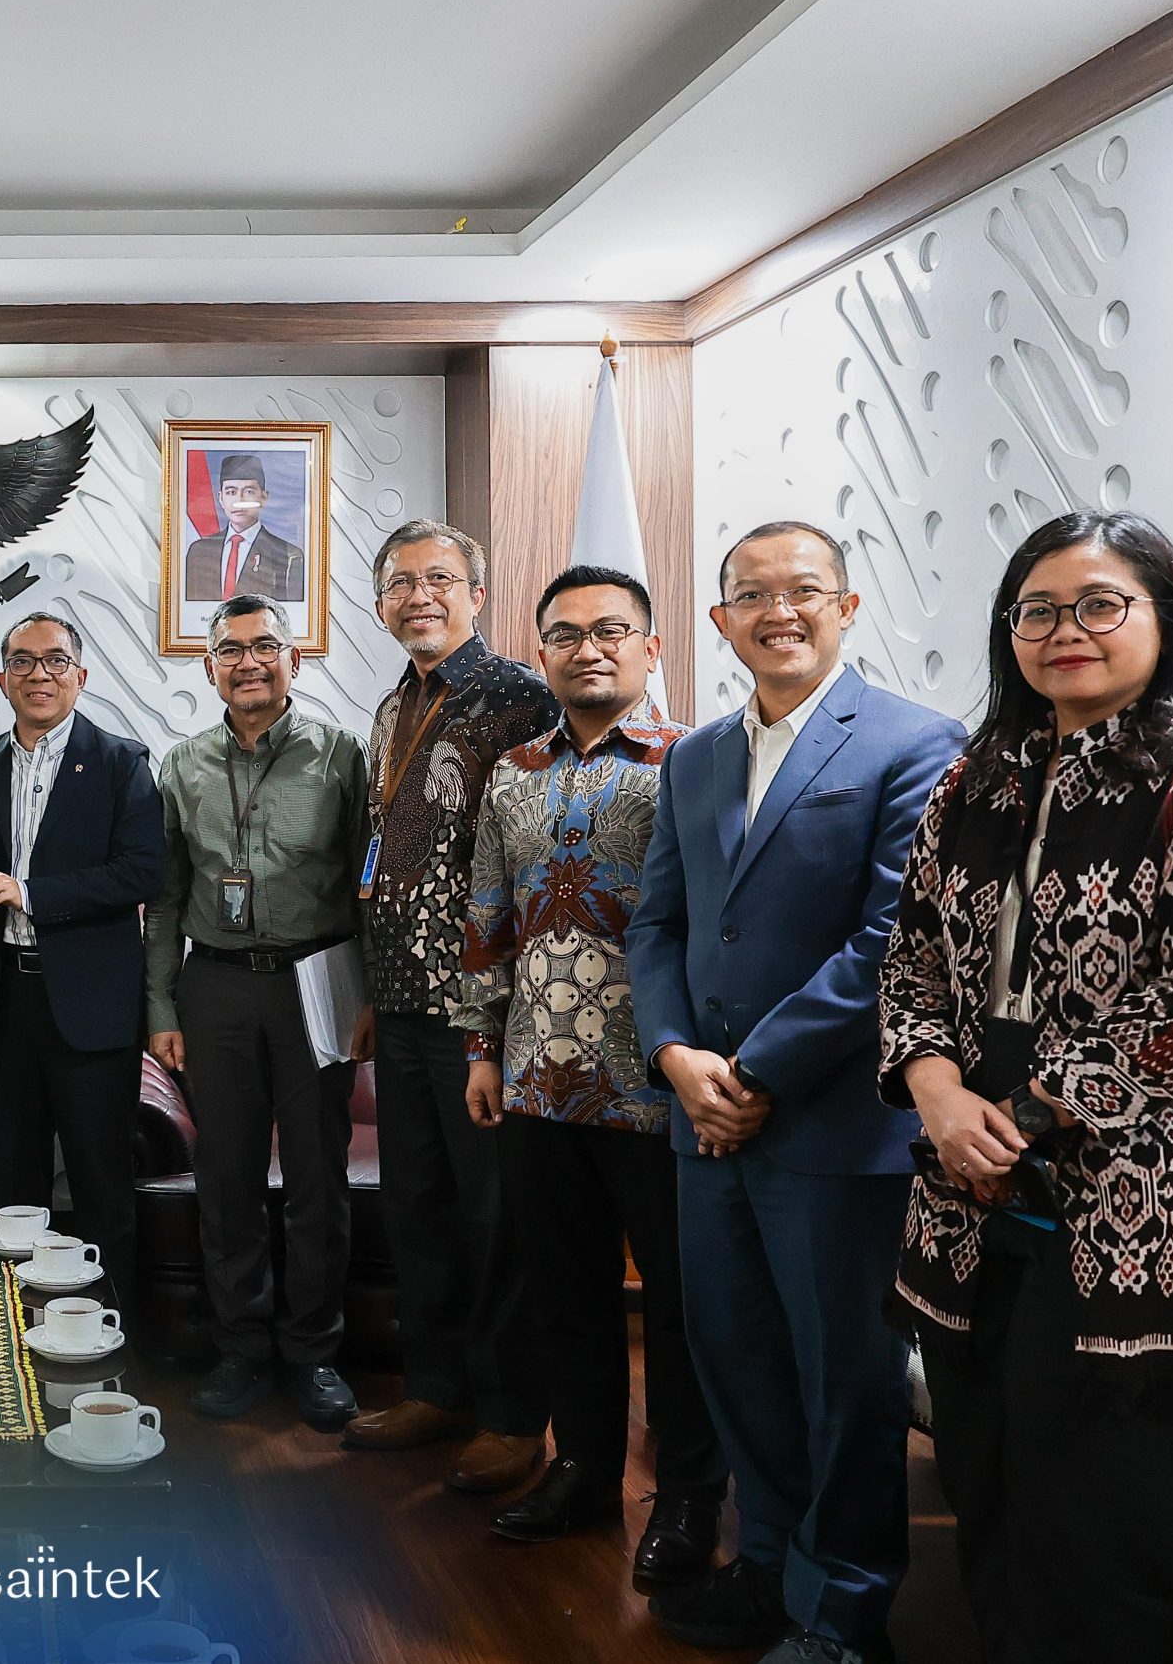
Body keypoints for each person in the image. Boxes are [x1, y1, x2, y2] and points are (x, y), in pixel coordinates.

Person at [881, 511, 1173, 1664]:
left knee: (1099, 1531)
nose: (1066, 629)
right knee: (987, 1490)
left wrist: (1020, 1117)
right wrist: (936, 1094)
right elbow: (909, 961)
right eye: (1038, 610)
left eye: (1100, 604)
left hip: (1147, 1217)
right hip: (968, 1199)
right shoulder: (971, 783)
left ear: (1164, 618)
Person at [629, 521, 963, 1664]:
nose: (779, 611)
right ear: (720, 620)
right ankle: (770, 1566)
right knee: (735, 1360)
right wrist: (676, 1057)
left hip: (832, 1127)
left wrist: (756, 1071)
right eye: (752, 595)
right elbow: (658, 924)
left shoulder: (916, 743)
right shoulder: (693, 757)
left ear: (847, 606)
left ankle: (843, 1613)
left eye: (804, 590)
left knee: (843, 1384)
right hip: (703, 1122)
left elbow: (892, 941)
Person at [453, 566, 725, 1588]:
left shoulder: (696, 761)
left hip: (659, 1082)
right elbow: (487, 916)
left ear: (651, 648)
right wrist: (481, 1049)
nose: (588, 649)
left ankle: (689, 1495)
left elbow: (716, 921)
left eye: (611, 630)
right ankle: (582, 1472)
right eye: (565, 635)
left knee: (681, 1306)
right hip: (537, 1075)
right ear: (543, 655)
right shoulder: (513, 770)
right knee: (564, 1294)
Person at [339, 519, 560, 1496]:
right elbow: (381, 852)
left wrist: (492, 1022)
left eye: (438, 578)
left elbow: (526, 860)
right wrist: (370, 993)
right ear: (379, 603)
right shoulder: (395, 703)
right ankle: (436, 1389)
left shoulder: (517, 696)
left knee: (493, 1216)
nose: (418, 595)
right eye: (399, 582)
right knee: (418, 1208)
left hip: (483, 1010)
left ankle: (511, 1415)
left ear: (477, 593)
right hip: (400, 999)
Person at [146, 593, 369, 1431]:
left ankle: (313, 1352)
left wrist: (369, 997)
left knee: (317, 1174)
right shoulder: (182, 766)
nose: (249, 662)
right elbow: (165, 900)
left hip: (316, 980)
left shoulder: (340, 754)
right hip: (215, 986)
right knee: (228, 1175)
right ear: (209, 668)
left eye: (265, 646)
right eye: (231, 650)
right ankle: (240, 1347)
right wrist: (160, 1005)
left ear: (293, 660)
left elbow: (367, 885)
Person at [0, 614, 165, 1311]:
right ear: (2, 676)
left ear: (80, 674)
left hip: (91, 1011)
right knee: (16, 1189)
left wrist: (30, 894)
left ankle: (112, 1332)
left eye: (55, 660)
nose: (39, 674)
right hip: (3, 1003)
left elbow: (142, 872)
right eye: (23, 661)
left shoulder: (122, 761)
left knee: (101, 1185)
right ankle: (18, 1331)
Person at [183, 453, 304, 602]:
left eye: (248, 492)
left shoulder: (287, 555)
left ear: (264, 497)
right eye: (231, 492)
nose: (239, 500)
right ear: (221, 498)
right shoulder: (199, 551)